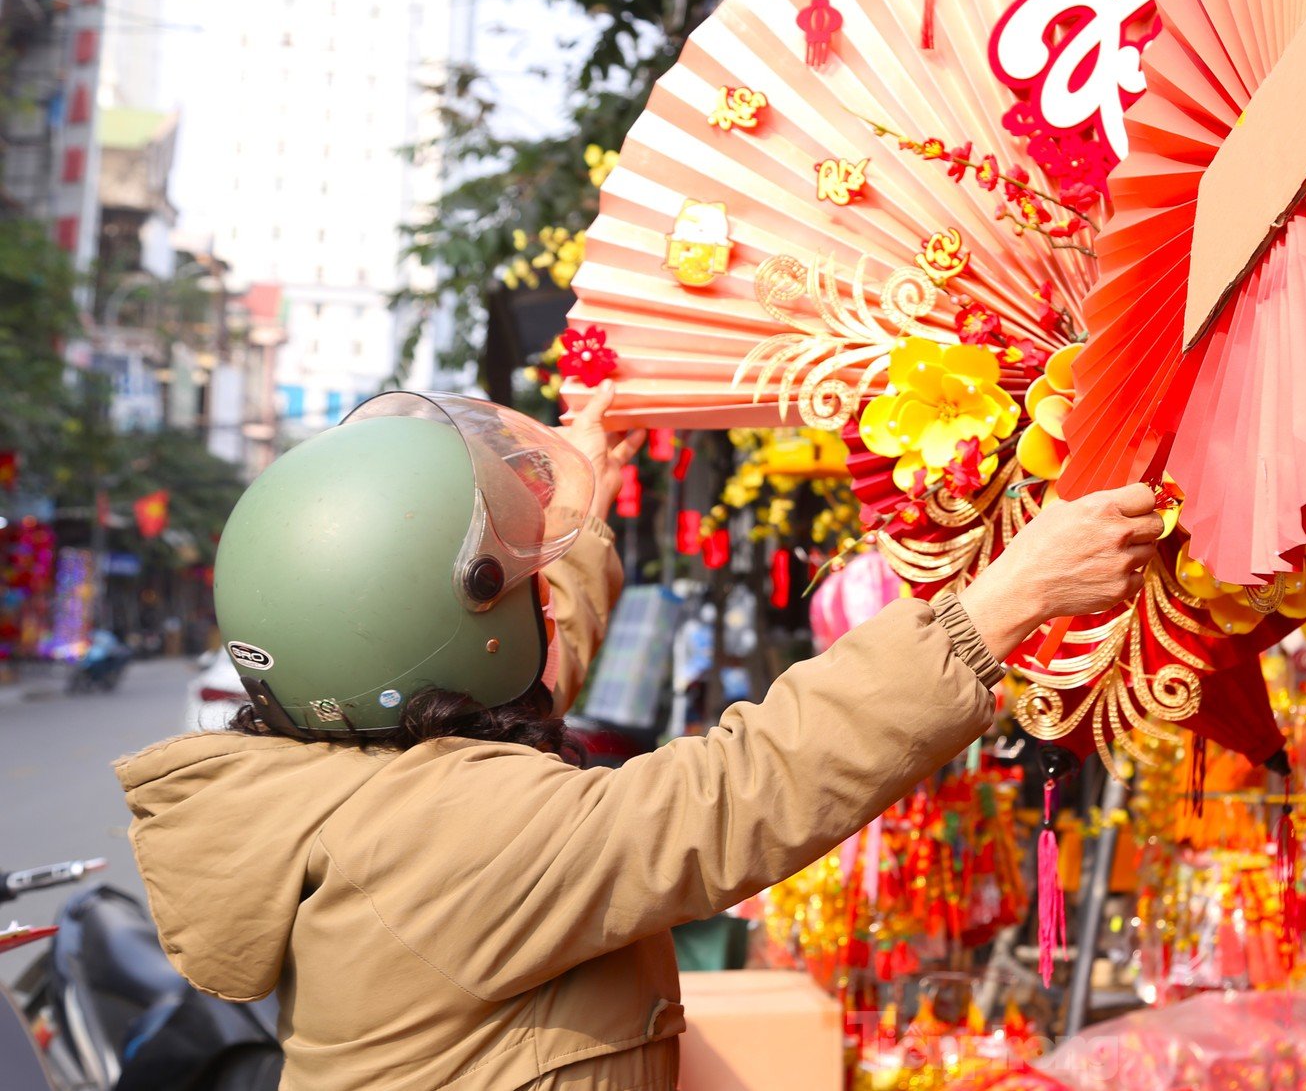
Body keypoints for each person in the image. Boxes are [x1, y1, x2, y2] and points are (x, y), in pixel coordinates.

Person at [116, 384, 1163, 1091]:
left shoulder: (343, 774)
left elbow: (509, 670)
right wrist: (1007, 599)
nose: (545, 607)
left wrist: (580, 500)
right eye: (524, 585)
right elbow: (743, 790)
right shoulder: (457, 834)